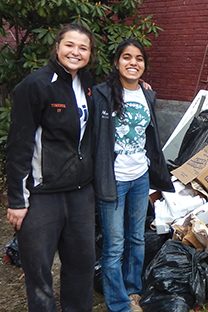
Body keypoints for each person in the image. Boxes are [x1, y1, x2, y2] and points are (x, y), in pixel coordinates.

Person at [5, 23, 97, 311]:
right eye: (70, 45)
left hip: (81, 193)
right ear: (57, 47)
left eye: (83, 48)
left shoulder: (89, 84)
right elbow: (19, 145)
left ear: (90, 54)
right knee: (39, 273)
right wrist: (18, 200)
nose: (75, 52)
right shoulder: (35, 85)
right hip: (43, 195)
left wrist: (139, 87)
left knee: (81, 268)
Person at [92, 38, 173, 312]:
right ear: (116, 63)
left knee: (136, 238)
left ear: (144, 66)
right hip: (112, 179)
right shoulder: (101, 94)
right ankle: (118, 303)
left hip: (140, 177)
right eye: (127, 57)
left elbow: (149, 136)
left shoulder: (147, 95)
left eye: (138, 58)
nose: (133, 63)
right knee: (114, 245)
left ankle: (133, 291)